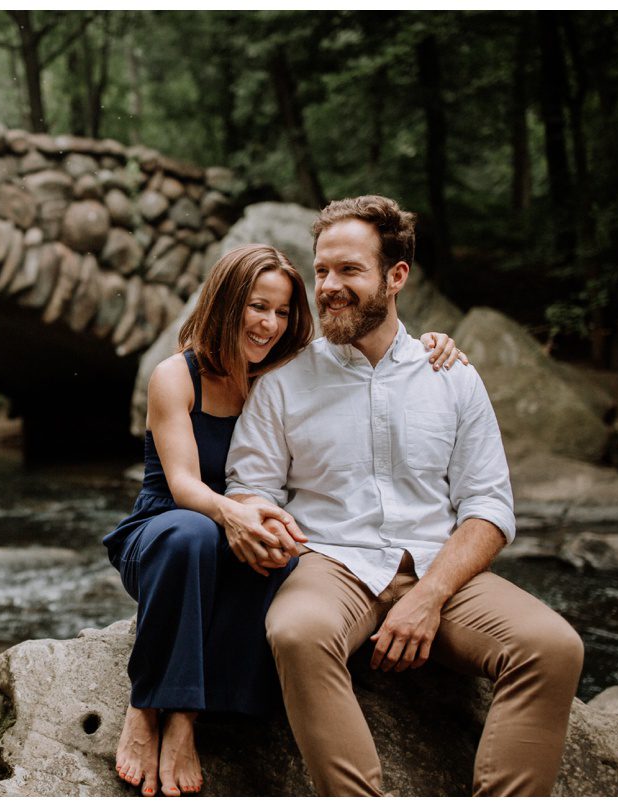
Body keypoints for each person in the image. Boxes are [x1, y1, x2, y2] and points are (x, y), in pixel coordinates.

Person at [225, 195, 584, 796]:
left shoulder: (452, 375)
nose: (329, 286)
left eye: (349, 270)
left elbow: (489, 507)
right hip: (331, 562)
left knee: (553, 647)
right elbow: (250, 487)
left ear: (396, 277)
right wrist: (255, 522)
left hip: (439, 567)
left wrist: (430, 597)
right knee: (297, 631)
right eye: (321, 271)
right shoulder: (282, 382)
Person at [103, 243, 466, 797]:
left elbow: (372, 353)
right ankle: (146, 705)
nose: (269, 324)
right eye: (256, 306)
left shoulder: (283, 371)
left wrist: (432, 347)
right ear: (225, 303)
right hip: (167, 532)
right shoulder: (176, 376)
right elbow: (183, 485)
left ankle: (186, 723)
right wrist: (234, 515)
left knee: (284, 551)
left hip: (239, 534)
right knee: (198, 532)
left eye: (281, 311)